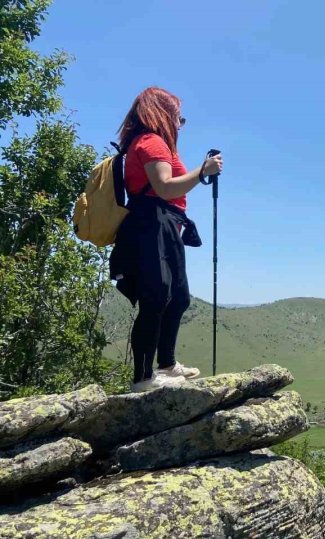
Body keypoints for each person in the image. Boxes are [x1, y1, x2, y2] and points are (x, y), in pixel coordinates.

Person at [109, 87, 223, 392]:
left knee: (178, 297)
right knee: (156, 297)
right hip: (152, 224)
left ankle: (168, 366)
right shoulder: (152, 143)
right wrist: (203, 172)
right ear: (162, 113)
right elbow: (165, 188)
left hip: (163, 224)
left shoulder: (149, 143)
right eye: (178, 117)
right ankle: (144, 378)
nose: (179, 124)